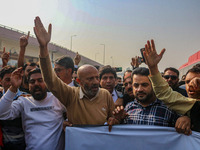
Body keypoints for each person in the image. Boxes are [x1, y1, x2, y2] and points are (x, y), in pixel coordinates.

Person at [33, 16, 115, 125]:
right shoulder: (71, 95)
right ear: (79, 82)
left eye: (96, 78)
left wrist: (115, 120)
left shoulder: (105, 95)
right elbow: (50, 80)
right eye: (90, 79)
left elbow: (112, 119)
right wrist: (43, 47)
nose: (95, 82)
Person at [0, 68, 66, 150]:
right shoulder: (23, 102)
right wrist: (13, 87)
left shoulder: (57, 98)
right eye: (32, 82)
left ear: (46, 83)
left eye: (40, 80)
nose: (36, 84)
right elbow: (2, 113)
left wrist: (69, 122)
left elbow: (75, 110)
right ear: (28, 86)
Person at [142, 39, 199, 133]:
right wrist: (153, 68)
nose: (192, 85)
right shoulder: (193, 106)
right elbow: (164, 93)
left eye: (197, 82)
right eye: (188, 82)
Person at [0, 66, 26, 150]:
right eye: (8, 80)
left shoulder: (27, 98)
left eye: (14, 79)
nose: (11, 83)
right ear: (0, 81)